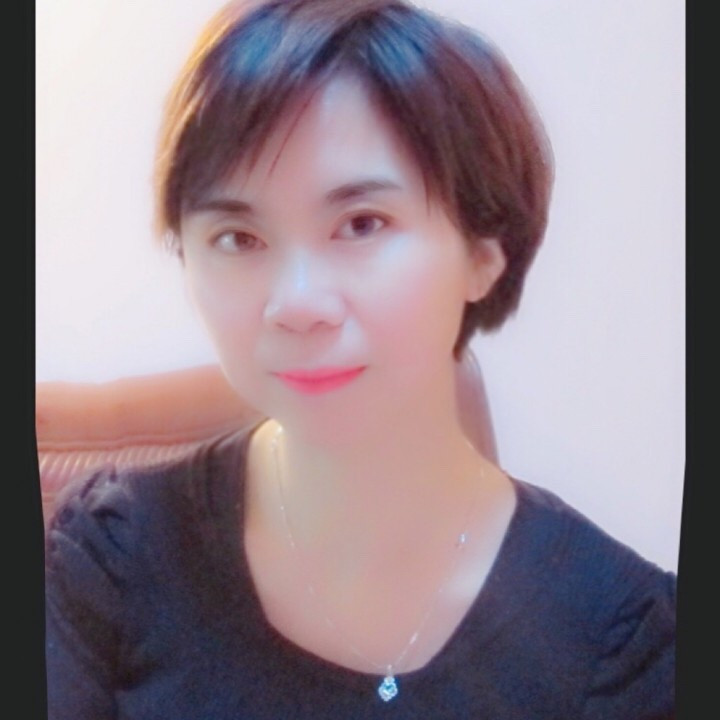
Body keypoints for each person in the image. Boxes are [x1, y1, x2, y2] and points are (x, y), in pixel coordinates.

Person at [44, 0, 676, 717]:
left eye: (362, 224)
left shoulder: (624, 638)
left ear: (483, 253)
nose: (297, 303)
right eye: (239, 239)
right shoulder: (114, 558)